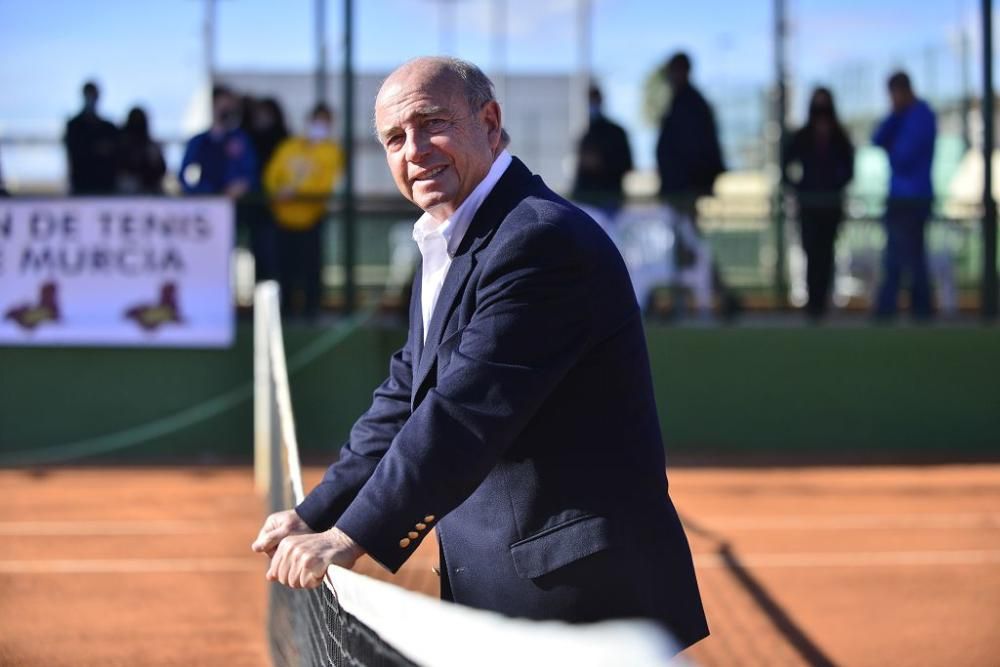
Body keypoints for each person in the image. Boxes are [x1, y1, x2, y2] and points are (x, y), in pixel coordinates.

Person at [252, 57, 708, 651]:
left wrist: (352, 536)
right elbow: (406, 394)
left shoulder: (538, 240)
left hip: (579, 602)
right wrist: (317, 513)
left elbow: (463, 412)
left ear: (489, 123)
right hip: (511, 590)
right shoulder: (449, 235)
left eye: (432, 123)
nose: (414, 149)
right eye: (394, 138)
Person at [655, 52, 739, 320]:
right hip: (678, 189)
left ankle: (715, 298)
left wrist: (697, 183)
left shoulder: (691, 104)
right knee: (685, 248)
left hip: (685, 191)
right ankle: (701, 299)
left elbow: (697, 151)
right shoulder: (683, 102)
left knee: (690, 247)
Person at [263, 103, 345, 320]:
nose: (319, 125)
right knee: (284, 269)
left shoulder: (332, 151)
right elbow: (272, 174)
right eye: (317, 120)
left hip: (311, 219)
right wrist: (277, 190)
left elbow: (326, 184)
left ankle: (311, 311)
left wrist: (296, 192)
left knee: (311, 269)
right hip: (282, 219)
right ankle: (286, 311)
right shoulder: (289, 146)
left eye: (325, 121)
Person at [784, 88, 855, 321]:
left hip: (831, 205)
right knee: (811, 251)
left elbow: (848, 169)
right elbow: (787, 166)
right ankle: (812, 303)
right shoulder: (803, 136)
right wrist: (800, 187)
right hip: (808, 205)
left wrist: (834, 185)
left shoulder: (839, 137)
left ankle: (823, 301)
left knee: (826, 253)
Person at [871, 71, 937, 321]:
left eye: (895, 94)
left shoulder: (921, 116)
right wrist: (894, 116)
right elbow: (877, 138)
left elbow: (903, 157)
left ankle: (901, 308)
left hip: (914, 197)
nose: (893, 99)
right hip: (899, 196)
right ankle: (916, 308)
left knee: (904, 257)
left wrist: (893, 139)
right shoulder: (900, 117)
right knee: (903, 255)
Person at [178, 85, 257, 198]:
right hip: (204, 202)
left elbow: (250, 173)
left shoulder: (241, 140)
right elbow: (184, 175)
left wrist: (242, 185)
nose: (226, 111)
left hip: (235, 202)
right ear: (214, 106)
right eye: (222, 106)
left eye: (229, 107)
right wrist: (197, 191)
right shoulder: (198, 142)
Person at [244, 96, 291, 282]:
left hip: (283, 207)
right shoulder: (247, 138)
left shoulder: (284, 140)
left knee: (279, 256)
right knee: (260, 254)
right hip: (256, 205)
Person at [571, 84, 633, 213]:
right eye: (590, 100)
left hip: (609, 201)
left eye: (595, 99)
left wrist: (602, 164)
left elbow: (627, 164)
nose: (592, 104)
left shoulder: (616, 133)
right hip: (587, 202)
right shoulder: (586, 137)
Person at [64, 81, 119, 194]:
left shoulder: (108, 127)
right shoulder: (74, 126)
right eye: (89, 95)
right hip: (81, 185)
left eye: (93, 95)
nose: (91, 99)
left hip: (105, 186)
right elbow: (74, 153)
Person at [115, 107, 166, 194]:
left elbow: (161, 169)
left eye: (139, 120)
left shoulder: (151, 146)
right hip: (124, 188)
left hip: (148, 188)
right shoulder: (120, 144)